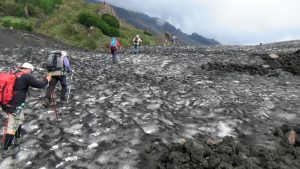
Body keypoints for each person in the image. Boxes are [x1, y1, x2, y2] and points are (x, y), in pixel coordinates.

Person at [1, 63, 51, 157]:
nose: (31, 73)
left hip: (7, 103)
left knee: (19, 119)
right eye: (31, 71)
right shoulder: (26, 76)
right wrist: (47, 80)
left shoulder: (15, 73)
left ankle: (17, 138)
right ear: (28, 69)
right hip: (15, 104)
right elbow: (40, 85)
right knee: (13, 125)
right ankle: (6, 149)